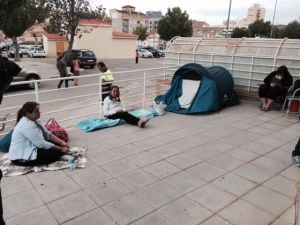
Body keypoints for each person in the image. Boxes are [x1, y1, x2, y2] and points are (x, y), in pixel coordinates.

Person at [8, 102, 70, 166]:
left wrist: (62, 143)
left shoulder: (35, 120)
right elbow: (41, 143)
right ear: (28, 114)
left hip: (32, 147)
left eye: (38, 111)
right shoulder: (26, 125)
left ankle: (60, 148)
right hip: (20, 157)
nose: (39, 113)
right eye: (36, 111)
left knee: (60, 144)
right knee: (56, 152)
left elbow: (47, 134)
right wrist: (61, 148)